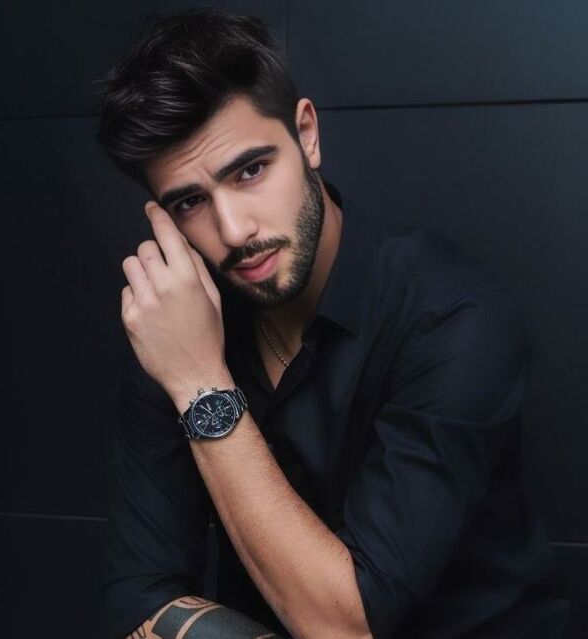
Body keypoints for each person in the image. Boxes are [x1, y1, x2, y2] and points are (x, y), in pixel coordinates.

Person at [94, 6, 570, 639]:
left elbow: (345, 626)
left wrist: (202, 386)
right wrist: (190, 369)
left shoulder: (455, 317)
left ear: (307, 135)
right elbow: (140, 597)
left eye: (251, 170)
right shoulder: (178, 334)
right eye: (190, 202)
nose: (234, 230)